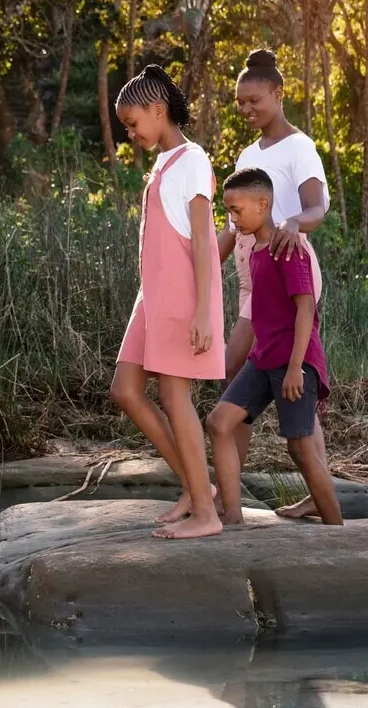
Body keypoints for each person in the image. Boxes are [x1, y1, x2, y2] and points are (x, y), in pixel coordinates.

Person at [110, 64, 226, 540]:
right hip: (152, 297)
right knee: (126, 389)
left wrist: (202, 310)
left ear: (159, 110)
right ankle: (198, 490)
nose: (131, 133)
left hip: (181, 294)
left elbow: (202, 240)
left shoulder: (192, 160)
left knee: (174, 395)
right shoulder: (163, 162)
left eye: (134, 122)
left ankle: (205, 513)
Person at [214, 49, 330, 522]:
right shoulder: (248, 154)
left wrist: (291, 223)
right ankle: (233, 492)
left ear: (278, 94)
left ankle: (231, 497)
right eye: (240, 102)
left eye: (254, 100)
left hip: (286, 276)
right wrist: (201, 265)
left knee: (234, 376)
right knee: (236, 380)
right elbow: (231, 221)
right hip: (251, 280)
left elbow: (317, 208)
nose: (246, 110)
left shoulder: (300, 146)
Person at [207, 168, 342, 526]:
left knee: (300, 448)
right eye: (228, 211)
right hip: (262, 360)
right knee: (219, 422)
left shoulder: (290, 249)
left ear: (263, 204)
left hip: (293, 361)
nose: (231, 219)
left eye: (236, 210)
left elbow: (306, 309)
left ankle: (338, 532)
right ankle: (232, 515)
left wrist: (297, 366)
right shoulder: (255, 252)